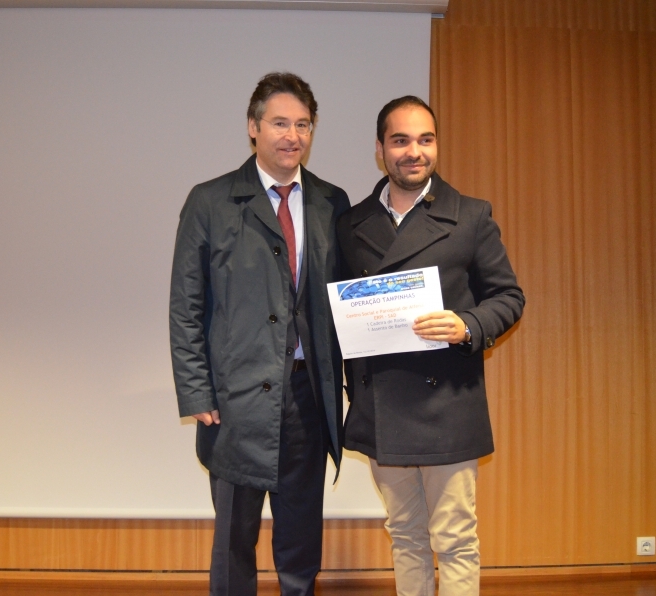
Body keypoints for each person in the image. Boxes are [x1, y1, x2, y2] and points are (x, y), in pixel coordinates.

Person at [169, 72, 350, 596]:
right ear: (253, 127)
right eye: (279, 123)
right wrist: (197, 392)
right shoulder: (210, 201)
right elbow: (185, 307)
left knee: (301, 541)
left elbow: (345, 299)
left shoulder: (332, 202)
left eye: (303, 124)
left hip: (307, 397)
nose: (292, 136)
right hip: (234, 400)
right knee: (233, 542)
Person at [336, 96, 525, 596]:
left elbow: (509, 297)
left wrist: (467, 325)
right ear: (380, 149)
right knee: (405, 534)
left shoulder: (470, 216)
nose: (414, 151)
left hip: (448, 404)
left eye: (425, 139)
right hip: (382, 407)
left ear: (436, 145)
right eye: (400, 140)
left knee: (455, 539)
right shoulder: (350, 225)